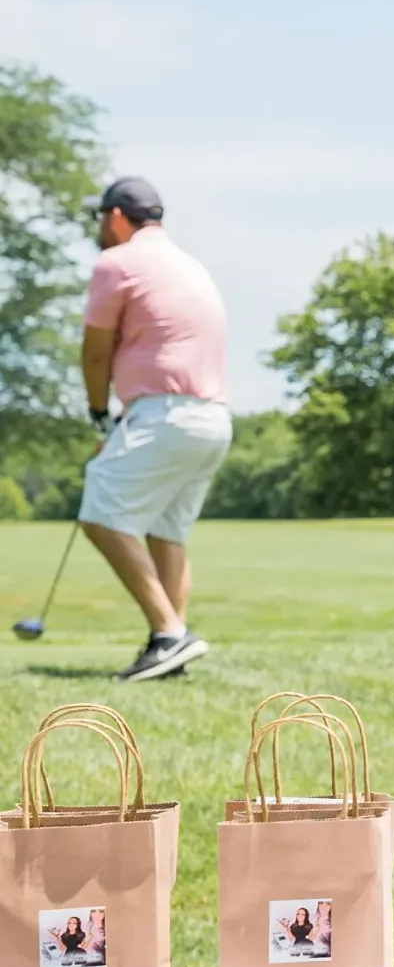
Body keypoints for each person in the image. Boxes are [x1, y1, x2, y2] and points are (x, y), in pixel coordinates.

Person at [78, 176, 232, 682]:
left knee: (100, 512)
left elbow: (96, 351)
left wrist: (98, 411)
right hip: (212, 418)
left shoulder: (116, 262)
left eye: (100, 216)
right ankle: (169, 647)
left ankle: (169, 633)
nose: (99, 227)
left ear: (117, 217)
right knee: (168, 531)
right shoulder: (189, 263)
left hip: (166, 414)